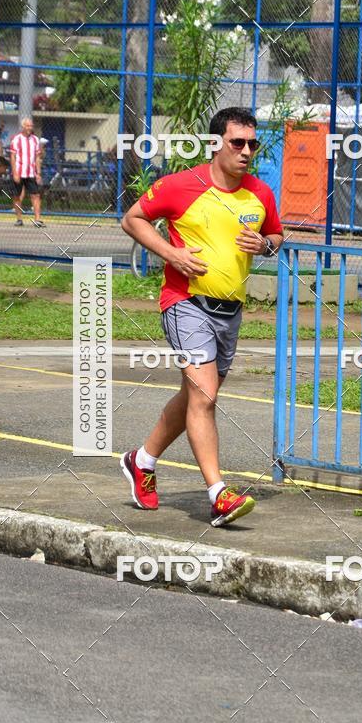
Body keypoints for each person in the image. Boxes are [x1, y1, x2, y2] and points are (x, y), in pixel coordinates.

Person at [120, 107, 283, 526]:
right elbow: (132, 218)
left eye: (252, 143)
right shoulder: (180, 186)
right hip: (185, 303)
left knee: (197, 397)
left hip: (231, 312)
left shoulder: (260, 193)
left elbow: (277, 235)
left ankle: (141, 461)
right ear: (216, 144)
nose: (246, 151)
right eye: (237, 143)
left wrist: (265, 244)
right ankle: (218, 494)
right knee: (206, 397)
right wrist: (171, 252)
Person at [9, 117, 45, 227]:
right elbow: (13, 157)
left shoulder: (35, 139)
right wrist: (15, 173)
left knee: (36, 195)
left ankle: (37, 220)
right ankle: (19, 219)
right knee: (17, 196)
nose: (30, 128)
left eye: (31, 126)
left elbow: (37, 157)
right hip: (19, 172)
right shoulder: (16, 139)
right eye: (28, 126)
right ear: (23, 126)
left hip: (31, 173)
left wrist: (38, 173)